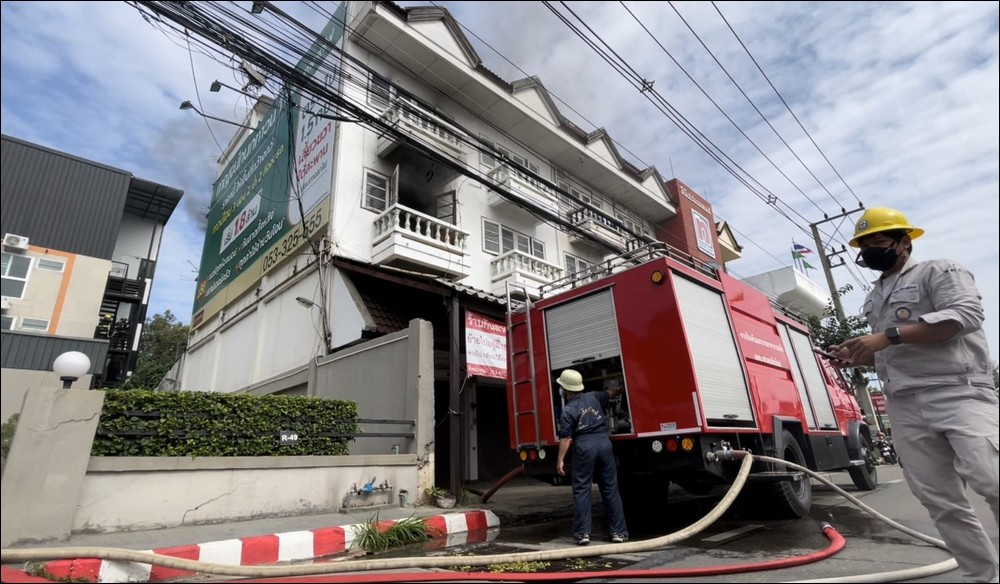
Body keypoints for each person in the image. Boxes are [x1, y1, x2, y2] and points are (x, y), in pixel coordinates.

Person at [828, 207, 999, 583]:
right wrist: (859, 354)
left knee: (993, 480)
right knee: (940, 501)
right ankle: (980, 577)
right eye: (864, 244)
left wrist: (887, 336)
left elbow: (964, 316)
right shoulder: (874, 297)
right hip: (904, 402)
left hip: (958, 391)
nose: (871, 249)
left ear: (904, 242)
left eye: (878, 241)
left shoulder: (938, 271)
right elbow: (888, 351)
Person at [554, 369, 629, 545]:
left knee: (582, 490)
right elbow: (610, 393)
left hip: (584, 447)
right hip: (604, 444)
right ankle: (619, 533)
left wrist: (560, 460)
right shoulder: (595, 397)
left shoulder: (568, 410)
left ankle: (582, 534)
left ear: (565, 389)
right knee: (610, 489)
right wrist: (620, 389)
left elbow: (566, 439)